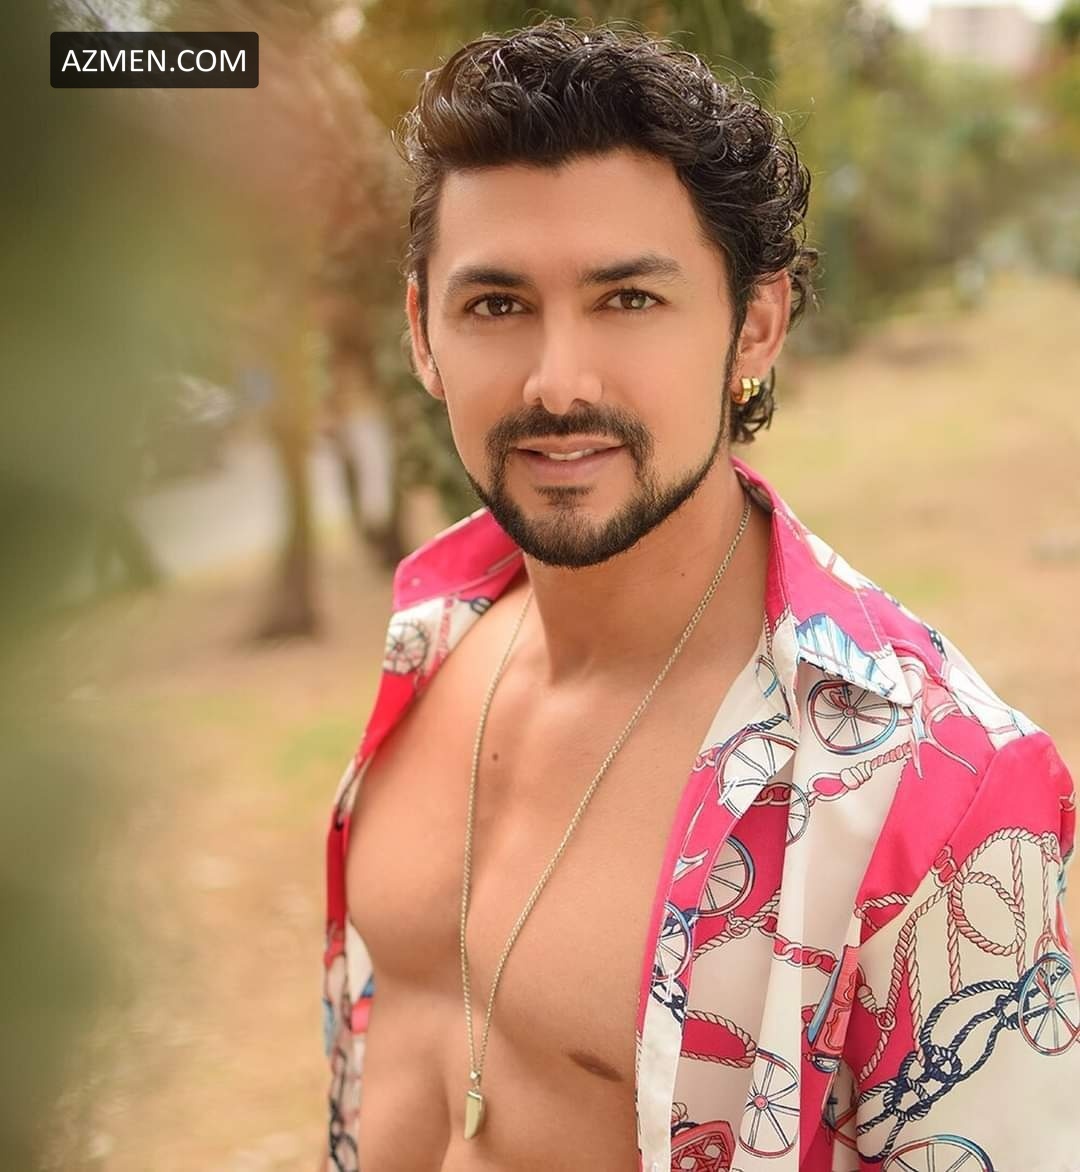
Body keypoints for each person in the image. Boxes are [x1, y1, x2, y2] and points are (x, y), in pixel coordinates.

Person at [320, 19, 1080, 1172]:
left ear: (755, 326)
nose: (556, 382)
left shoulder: (933, 784)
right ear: (423, 330)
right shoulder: (437, 640)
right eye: (496, 305)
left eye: (628, 299)